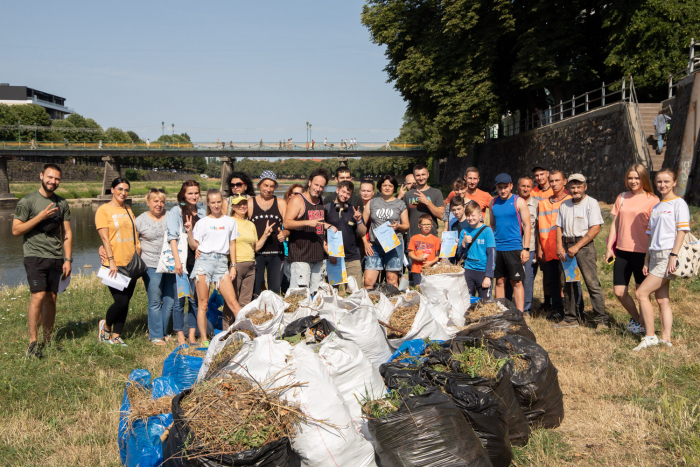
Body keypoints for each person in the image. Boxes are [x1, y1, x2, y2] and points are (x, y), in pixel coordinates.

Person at [12, 163, 72, 357]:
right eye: (50, 177)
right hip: (34, 256)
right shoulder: (27, 201)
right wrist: (40, 217)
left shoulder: (62, 203)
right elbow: (16, 230)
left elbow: (67, 233)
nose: (53, 181)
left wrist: (68, 259)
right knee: (37, 296)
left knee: (51, 298)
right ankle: (32, 342)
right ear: (41, 176)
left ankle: (48, 341)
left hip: (55, 257)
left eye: (57, 179)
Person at [633, 168, 690, 351]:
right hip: (655, 255)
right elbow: (650, 235)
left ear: (674, 183)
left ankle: (650, 336)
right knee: (662, 299)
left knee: (641, 293)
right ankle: (666, 339)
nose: (662, 185)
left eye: (666, 182)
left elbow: (682, 231)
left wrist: (673, 255)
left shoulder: (678, 203)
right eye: (659, 182)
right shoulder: (657, 207)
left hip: (668, 254)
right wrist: (647, 259)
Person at [605, 164, 659, 335]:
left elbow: (655, 228)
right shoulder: (622, 197)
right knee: (619, 292)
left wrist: (650, 255)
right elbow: (615, 224)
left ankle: (644, 326)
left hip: (642, 252)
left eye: (637, 178)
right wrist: (609, 248)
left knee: (641, 293)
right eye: (630, 178)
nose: (633, 181)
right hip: (621, 250)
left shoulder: (653, 199)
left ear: (644, 179)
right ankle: (637, 319)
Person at [187, 189, 241, 345]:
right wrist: (189, 231)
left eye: (219, 202)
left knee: (233, 303)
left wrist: (233, 265)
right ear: (208, 204)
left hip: (222, 262)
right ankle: (204, 339)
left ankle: (246, 332)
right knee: (203, 304)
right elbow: (193, 245)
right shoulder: (202, 222)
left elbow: (232, 244)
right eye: (213, 202)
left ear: (222, 202)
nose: (216, 205)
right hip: (204, 262)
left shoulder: (230, 221)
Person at [554, 174, 608, 330]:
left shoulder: (591, 203)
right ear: (568, 188)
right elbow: (559, 227)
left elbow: (596, 228)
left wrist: (577, 247)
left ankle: (601, 320)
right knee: (568, 283)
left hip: (584, 247)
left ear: (585, 187)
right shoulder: (564, 205)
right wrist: (559, 246)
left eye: (579, 186)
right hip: (567, 246)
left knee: (592, 283)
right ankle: (571, 318)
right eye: (572, 186)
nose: (575, 189)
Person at [95, 178, 141, 347]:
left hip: (131, 262)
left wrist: (138, 251)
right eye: (120, 189)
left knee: (126, 301)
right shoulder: (103, 210)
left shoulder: (128, 208)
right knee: (120, 301)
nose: (123, 193)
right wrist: (111, 260)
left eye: (127, 190)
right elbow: (105, 238)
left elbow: (134, 232)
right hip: (114, 264)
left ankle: (116, 336)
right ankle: (105, 326)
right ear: (112, 189)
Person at [167, 180, 205, 345]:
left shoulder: (202, 211)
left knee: (195, 300)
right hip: (181, 262)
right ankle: (180, 335)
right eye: (190, 193)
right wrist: (177, 262)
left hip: (197, 262)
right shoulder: (176, 211)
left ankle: (192, 334)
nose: (194, 196)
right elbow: (172, 238)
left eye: (196, 193)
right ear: (183, 194)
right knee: (180, 300)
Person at [135, 189, 174, 345]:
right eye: (155, 201)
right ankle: (155, 335)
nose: (159, 204)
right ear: (148, 202)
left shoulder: (171, 216)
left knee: (170, 300)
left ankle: (164, 331)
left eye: (162, 201)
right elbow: (128, 239)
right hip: (150, 265)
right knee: (155, 300)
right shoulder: (140, 220)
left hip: (170, 264)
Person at [489, 173, 531, 313]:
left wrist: (525, 248)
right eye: (500, 187)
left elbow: (527, 225)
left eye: (506, 187)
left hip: (514, 248)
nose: (503, 190)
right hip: (498, 248)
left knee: (516, 282)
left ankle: (520, 314)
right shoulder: (493, 203)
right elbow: (492, 226)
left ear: (511, 186)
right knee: (499, 281)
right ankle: (501, 312)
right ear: (496, 187)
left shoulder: (519, 201)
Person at [284, 168, 330, 293]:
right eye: (316, 185)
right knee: (300, 296)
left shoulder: (320, 201)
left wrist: (328, 227)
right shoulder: (298, 200)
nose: (318, 189)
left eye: (321, 186)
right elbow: (287, 223)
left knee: (316, 295)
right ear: (309, 183)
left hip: (318, 258)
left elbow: (318, 227)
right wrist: (307, 223)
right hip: (301, 258)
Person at [229, 194, 276, 318]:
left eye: (244, 204)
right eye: (239, 204)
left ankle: (243, 327)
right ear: (232, 206)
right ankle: (228, 328)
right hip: (236, 265)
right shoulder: (229, 222)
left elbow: (255, 247)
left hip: (250, 265)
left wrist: (265, 235)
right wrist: (232, 265)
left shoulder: (250, 224)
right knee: (232, 299)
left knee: (245, 300)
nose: (242, 206)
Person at [363, 175, 409, 289]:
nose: (387, 188)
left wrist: (398, 226)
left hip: (393, 246)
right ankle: (368, 304)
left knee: (392, 280)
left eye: (390, 185)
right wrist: (365, 243)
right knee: (368, 281)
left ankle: (392, 305)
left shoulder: (400, 204)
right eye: (384, 185)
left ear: (394, 188)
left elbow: (406, 225)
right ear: (380, 187)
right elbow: (362, 226)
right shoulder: (372, 203)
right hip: (375, 246)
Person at [536, 170, 571, 321]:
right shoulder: (542, 204)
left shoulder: (570, 200)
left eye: (557, 181)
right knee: (552, 282)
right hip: (548, 250)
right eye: (552, 181)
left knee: (569, 281)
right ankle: (557, 310)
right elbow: (539, 228)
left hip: (566, 250)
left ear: (565, 181)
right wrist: (539, 248)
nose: (554, 184)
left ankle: (573, 310)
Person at [249, 171, 287, 296]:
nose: (268, 189)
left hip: (276, 254)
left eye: (272, 186)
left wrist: (285, 233)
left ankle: (274, 314)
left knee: (274, 291)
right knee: (254, 291)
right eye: (265, 185)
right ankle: (254, 314)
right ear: (259, 185)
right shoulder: (250, 203)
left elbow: (288, 225)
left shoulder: (281, 203)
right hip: (256, 253)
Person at [324, 180, 367, 287]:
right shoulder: (327, 208)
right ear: (337, 190)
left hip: (352, 257)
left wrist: (359, 221)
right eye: (343, 192)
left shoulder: (353, 210)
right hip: (333, 257)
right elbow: (320, 232)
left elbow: (362, 232)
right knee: (333, 293)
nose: (345, 195)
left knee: (355, 292)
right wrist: (329, 252)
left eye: (348, 194)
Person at [457, 200, 496, 299]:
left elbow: (492, 255)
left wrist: (488, 276)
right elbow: (459, 255)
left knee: (485, 302)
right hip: (468, 270)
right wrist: (463, 243)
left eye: (473, 215)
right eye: (468, 215)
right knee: (467, 300)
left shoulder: (487, 231)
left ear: (480, 215)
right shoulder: (464, 232)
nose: (470, 218)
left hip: (483, 271)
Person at [402, 163, 444, 241]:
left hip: (432, 239)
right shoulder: (408, 195)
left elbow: (441, 215)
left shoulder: (436, 192)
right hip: (413, 239)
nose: (421, 178)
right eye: (418, 175)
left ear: (428, 175)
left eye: (423, 174)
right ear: (414, 177)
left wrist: (427, 202)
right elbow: (404, 220)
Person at [518, 176, 539, 315]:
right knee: (511, 277)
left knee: (527, 278)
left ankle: (526, 309)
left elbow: (538, 228)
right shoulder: (512, 202)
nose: (525, 189)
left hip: (530, 247)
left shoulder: (537, 205)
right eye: (523, 186)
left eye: (528, 186)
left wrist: (538, 248)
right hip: (513, 246)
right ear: (518, 186)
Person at [281, 184, 305, 294]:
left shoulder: (303, 212)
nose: (295, 196)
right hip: (284, 252)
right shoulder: (282, 209)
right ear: (289, 195)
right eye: (293, 193)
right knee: (284, 282)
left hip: (298, 252)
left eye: (299, 194)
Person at [407, 214, 440, 285]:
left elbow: (438, 256)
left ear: (432, 225)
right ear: (419, 226)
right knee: (418, 288)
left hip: (430, 270)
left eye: (429, 224)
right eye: (424, 224)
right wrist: (417, 259)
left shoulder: (436, 239)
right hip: (417, 269)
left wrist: (430, 263)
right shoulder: (414, 238)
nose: (427, 226)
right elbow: (410, 253)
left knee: (429, 288)